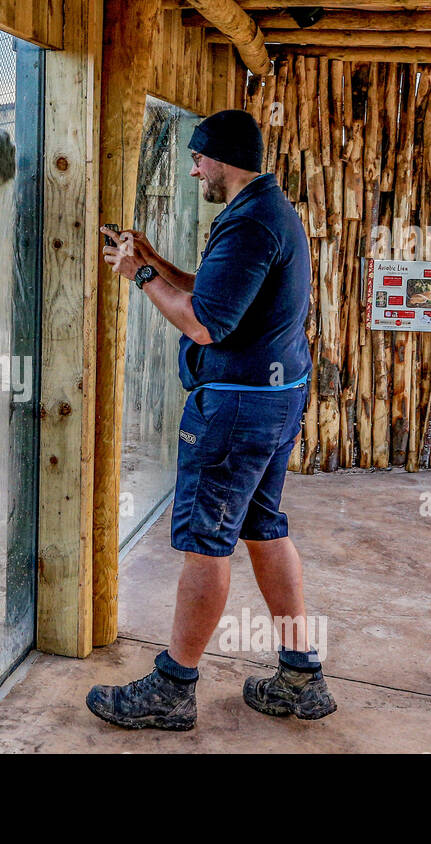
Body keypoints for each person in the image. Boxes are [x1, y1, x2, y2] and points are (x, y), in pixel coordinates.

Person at [87, 109, 336, 730]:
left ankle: (173, 689)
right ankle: (302, 676)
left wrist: (139, 275)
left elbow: (204, 322)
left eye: (199, 157)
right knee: (264, 526)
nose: (194, 167)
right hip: (275, 399)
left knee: (206, 544)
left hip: (235, 409)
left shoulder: (250, 224)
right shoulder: (269, 210)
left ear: (223, 160)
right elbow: (216, 293)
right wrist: (154, 258)